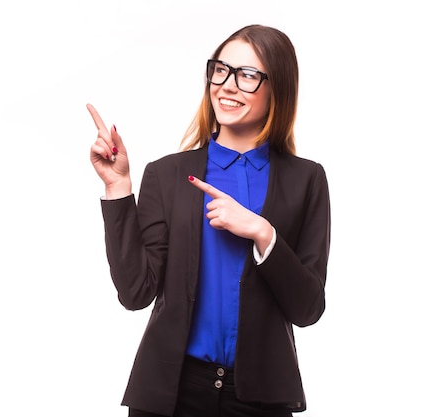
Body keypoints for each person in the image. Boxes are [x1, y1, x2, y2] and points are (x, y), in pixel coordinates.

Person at [86, 24, 331, 417]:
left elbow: (308, 309)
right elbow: (135, 292)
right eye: (221, 70)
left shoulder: (306, 180)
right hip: (170, 394)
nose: (228, 85)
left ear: (277, 89)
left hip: (260, 399)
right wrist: (118, 187)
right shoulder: (167, 175)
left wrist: (263, 233)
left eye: (248, 75)